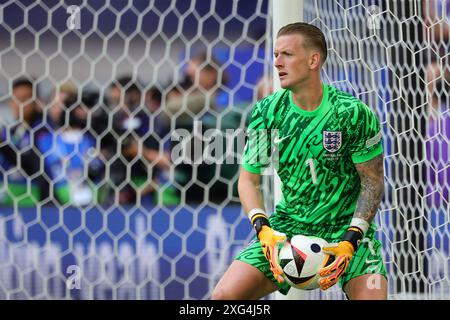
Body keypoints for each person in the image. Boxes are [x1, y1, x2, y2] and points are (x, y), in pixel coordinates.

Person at [212, 22, 387, 300]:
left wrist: (352, 239)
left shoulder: (353, 113)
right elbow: (248, 180)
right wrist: (263, 229)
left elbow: (373, 182)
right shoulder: (268, 111)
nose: (277, 63)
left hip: (348, 234)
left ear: (313, 60)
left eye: (287, 55)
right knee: (223, 298)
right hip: (286, 230)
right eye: (276, 55)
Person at [0, 77, 50, 206]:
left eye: (24, 99)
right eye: (15, 99)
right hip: (8, 200)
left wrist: (4, 147)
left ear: (36, 102)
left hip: (33, 201)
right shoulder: (9, 132)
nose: (19, 104)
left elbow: (34, 167)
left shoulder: (44, 132)